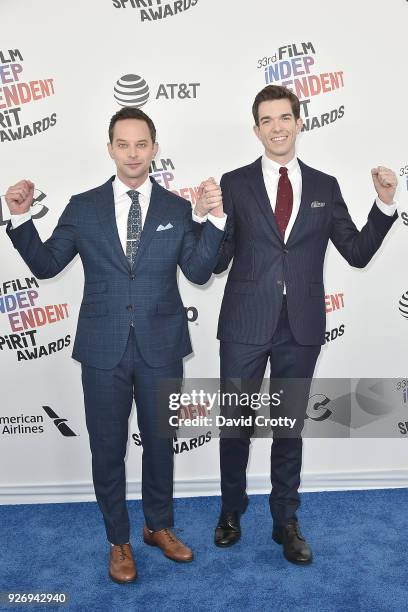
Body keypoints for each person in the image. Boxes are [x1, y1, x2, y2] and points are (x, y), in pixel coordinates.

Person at [5, 107, 226, 583]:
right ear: (109, 149)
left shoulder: (173, 207)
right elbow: (46, 265)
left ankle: (158, 526)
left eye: (141, 144)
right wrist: (19, 218)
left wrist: (217, 220)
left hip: (161, 346)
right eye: (123, 144)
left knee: (161, 445)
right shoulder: (83, 206)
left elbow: (198, 271)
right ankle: (118, 540)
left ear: (154, 148)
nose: (132, 153)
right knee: (107, 449)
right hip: (102, 349)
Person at [212, 84, 398, 565]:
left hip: (300, 326)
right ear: (256, 129)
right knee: (235, 425)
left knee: (287, 428)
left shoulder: (324, 185)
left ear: (299, 122)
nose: (277, 128)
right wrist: (206, 220)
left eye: (284, 118)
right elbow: (216, 261)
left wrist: (383, 205)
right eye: (267, 121)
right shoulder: (233, 183)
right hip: (244, 325)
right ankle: (231, 511)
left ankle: (284, 521)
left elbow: (356, 253)